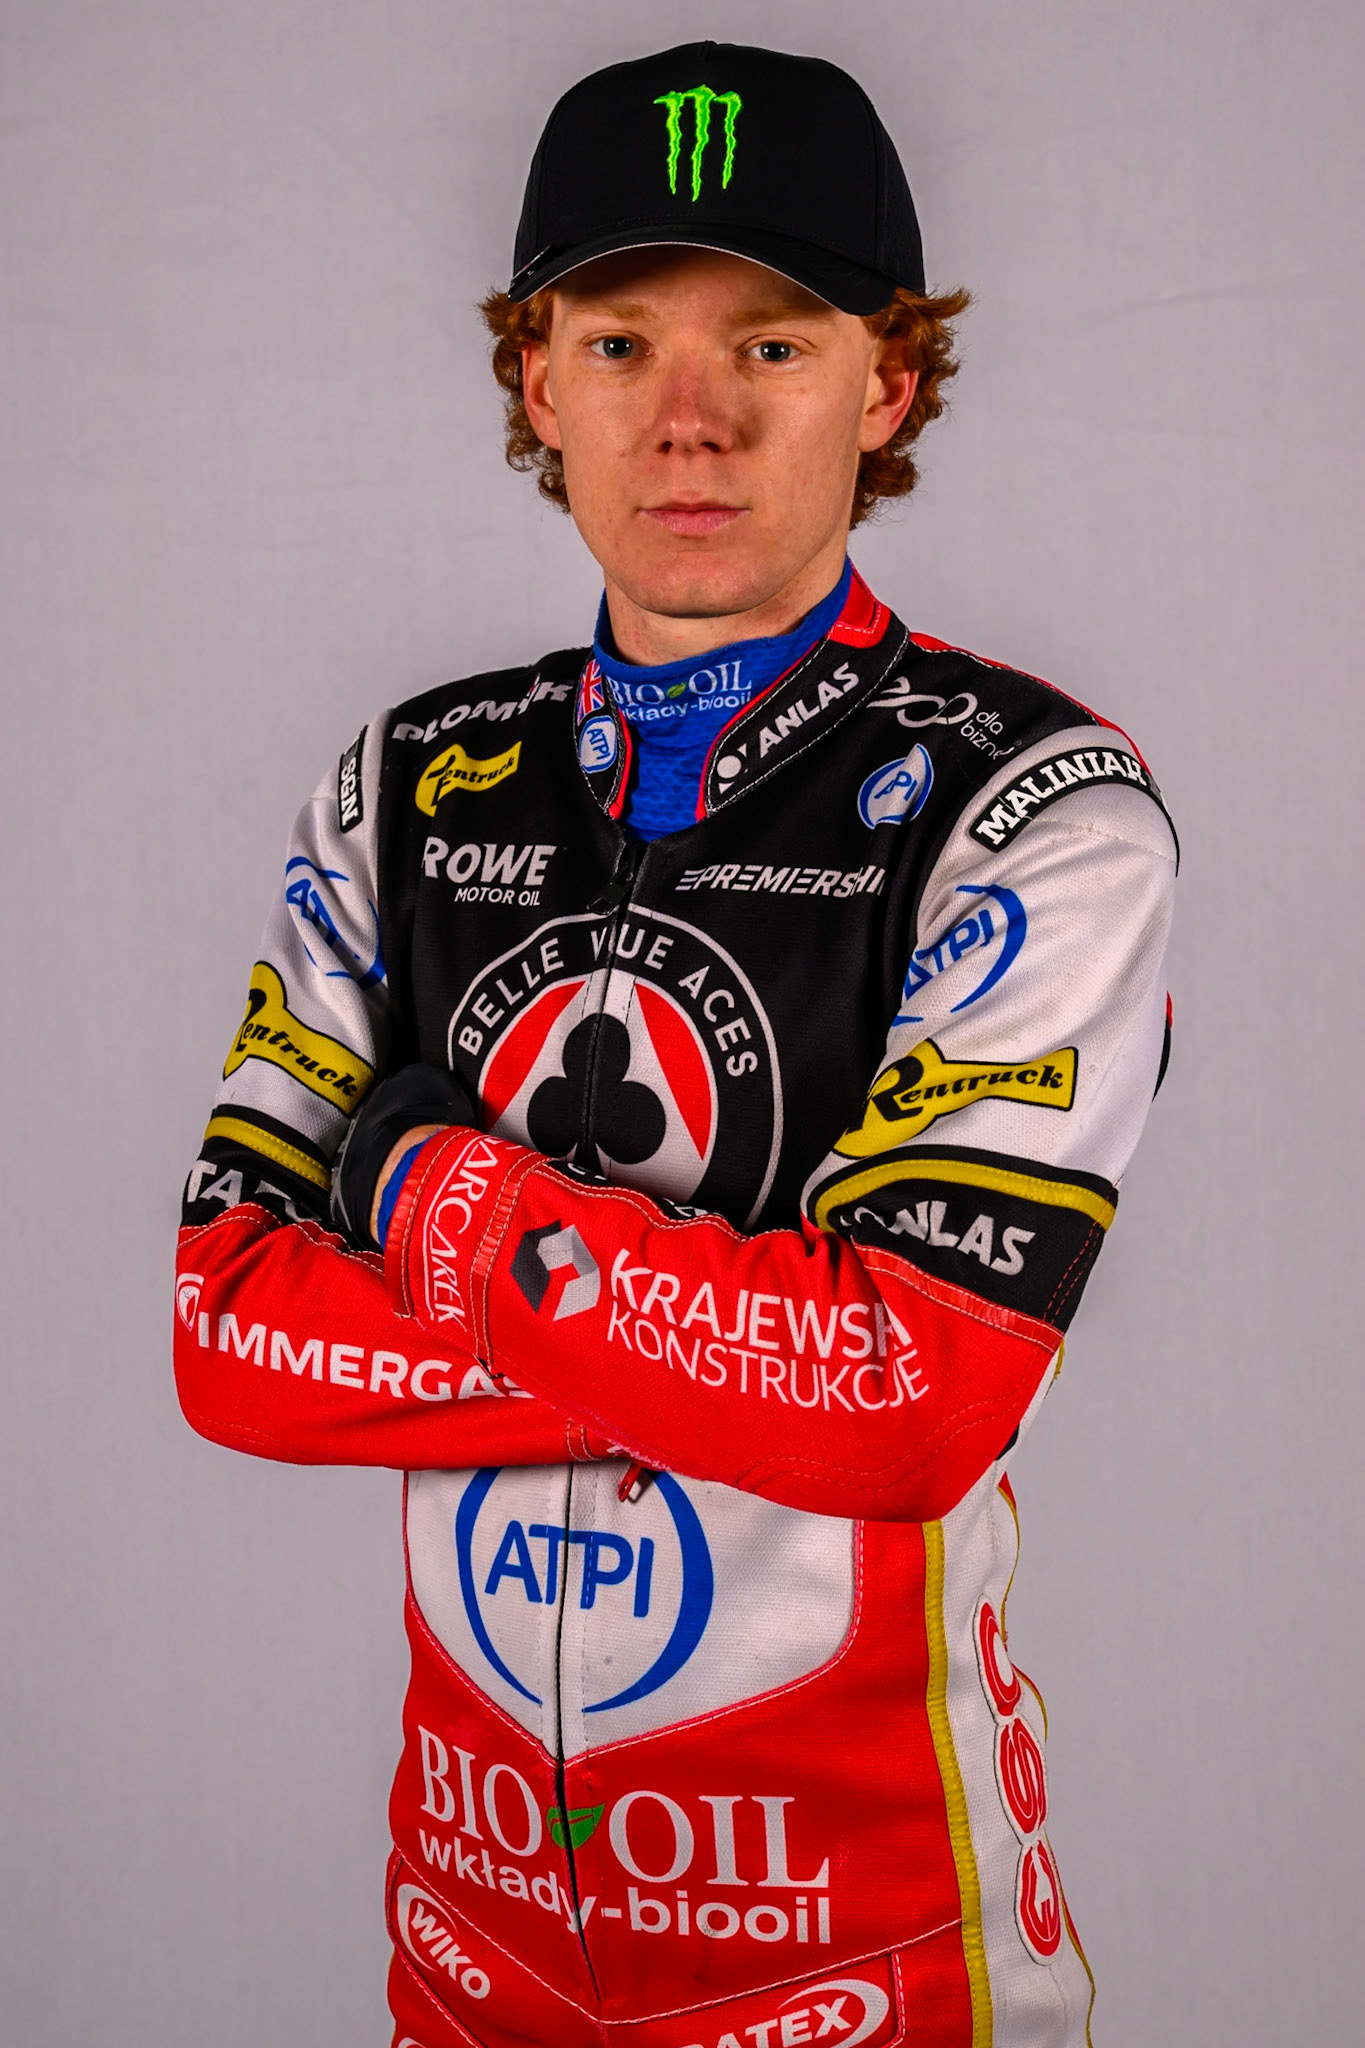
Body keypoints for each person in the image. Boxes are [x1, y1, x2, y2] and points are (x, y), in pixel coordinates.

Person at [174, 39, 1176, 2048]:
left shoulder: (1033, 805)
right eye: (620, 343)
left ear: (887, 383)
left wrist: (426, 1194)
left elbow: (906, 1400)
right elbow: (225, 1335)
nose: (689, 420)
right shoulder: (407, 785)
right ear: (537, 382)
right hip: (467, 1949)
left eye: (771, 345)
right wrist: (722, 1360)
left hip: (871, 1957)